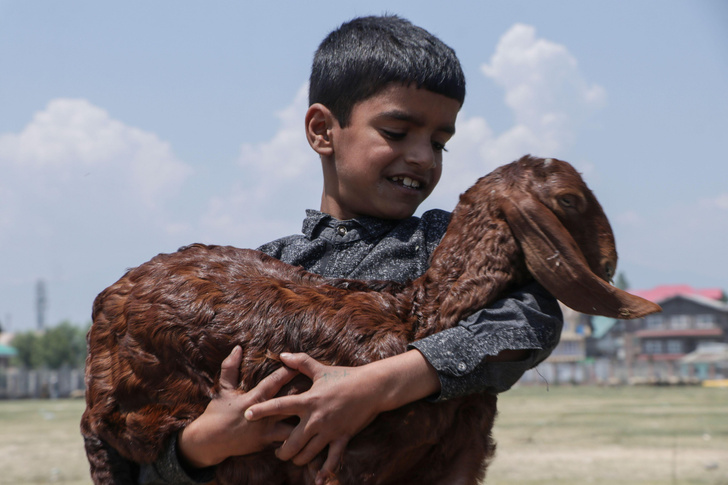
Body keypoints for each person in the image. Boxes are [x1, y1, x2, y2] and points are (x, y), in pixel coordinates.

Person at [137, 15, 563, 485]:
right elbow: (143, 463)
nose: (423, 156)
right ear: (322, 130)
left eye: (440, 143)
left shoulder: (446, 247)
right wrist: (203, 445)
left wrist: (375, 387)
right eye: (397, 133)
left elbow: (531, 319)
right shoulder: (254, 274)